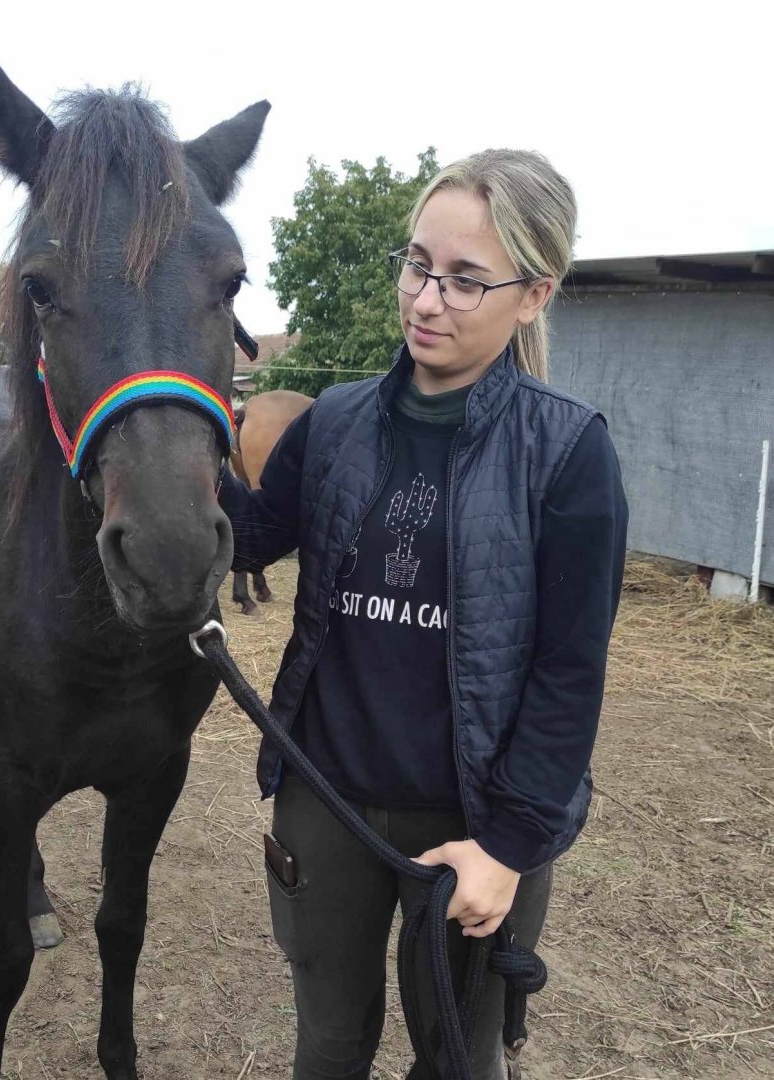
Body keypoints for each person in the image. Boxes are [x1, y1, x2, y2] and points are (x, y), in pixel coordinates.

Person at [218, 149, 629, 1080]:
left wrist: (509, 847)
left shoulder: (567, 453)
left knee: (459, 1058)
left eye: (465, 280)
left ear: (534, 295)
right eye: (416, 265)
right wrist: (153, 410)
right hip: (327, 803)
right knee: (327, 1048)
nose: (426, 299)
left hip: (476, 824)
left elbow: (570, 673)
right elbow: (242, 540)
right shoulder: (336, 422)